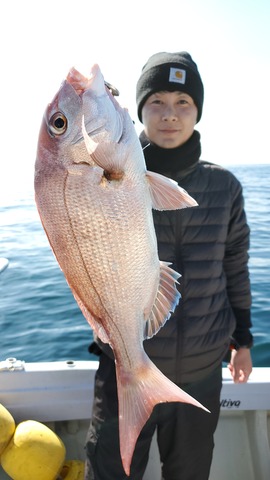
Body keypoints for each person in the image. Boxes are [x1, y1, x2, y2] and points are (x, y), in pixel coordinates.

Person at [85, 51, 253, 480]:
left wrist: (244, 340)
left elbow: (235, 266)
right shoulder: (106, 176)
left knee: (190, 473)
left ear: (198, 111)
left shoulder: (225, 186)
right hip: (122, 367)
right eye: (156, 101)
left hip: (200, 372)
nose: (169, 115)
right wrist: (96, 107)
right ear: (138, 109)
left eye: (183, 103)